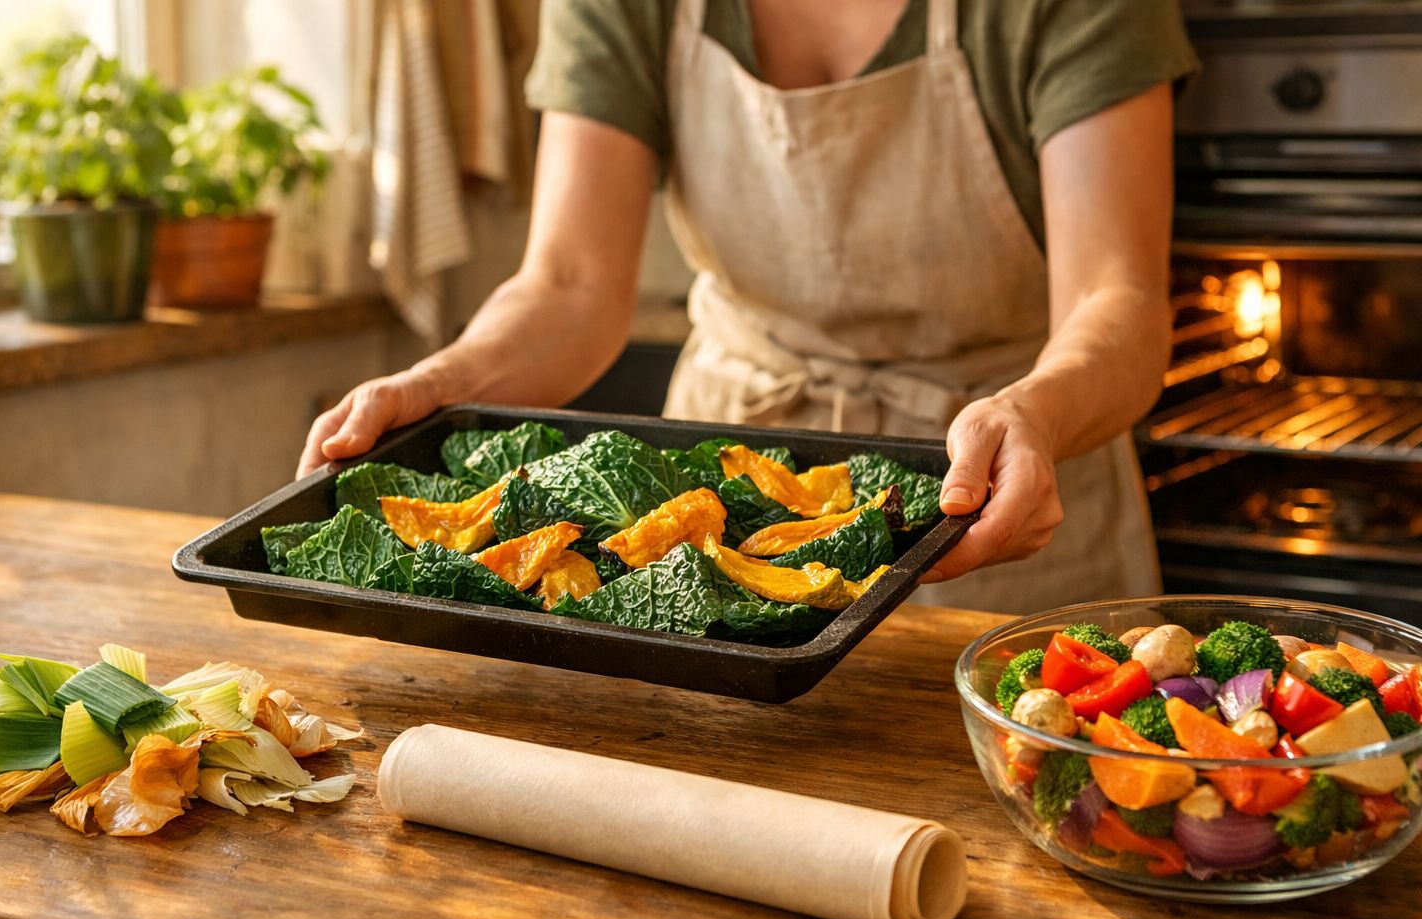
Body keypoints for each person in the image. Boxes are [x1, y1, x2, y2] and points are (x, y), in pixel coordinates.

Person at [300, 0, 1199, 613]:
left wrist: (1030, 414)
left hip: (1006, 499)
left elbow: (1114, 299)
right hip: (724, 504)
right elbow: (569, 286)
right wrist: (439, 381)